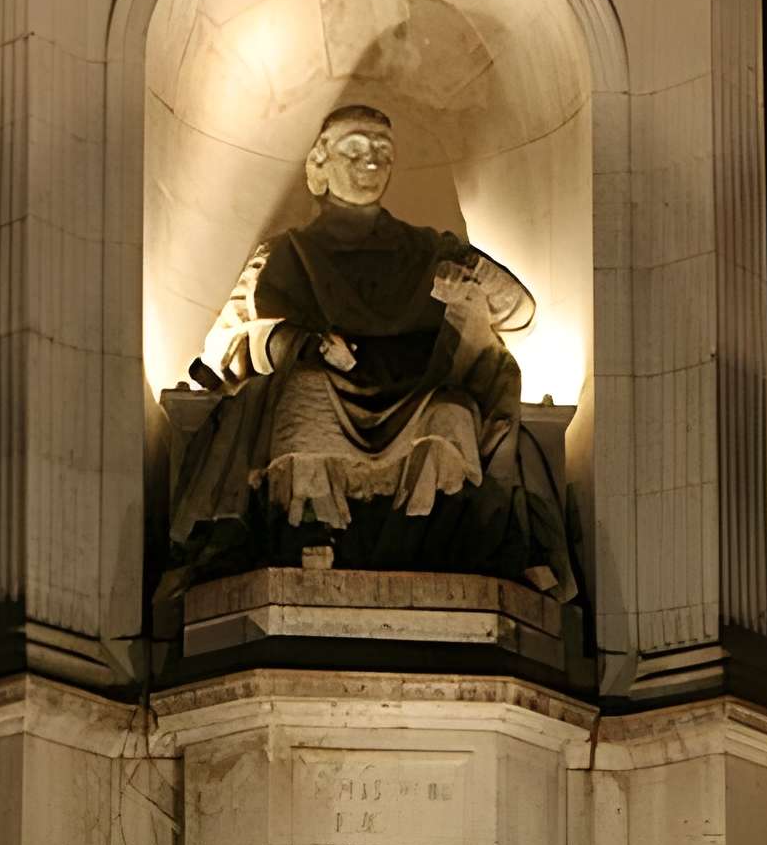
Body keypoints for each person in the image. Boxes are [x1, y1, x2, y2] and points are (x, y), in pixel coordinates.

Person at [161, 104, 574, 601]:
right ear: (319, 164)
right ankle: (309, 529)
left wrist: (475, 279)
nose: (371, 162)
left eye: (382, 151)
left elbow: (521, 315)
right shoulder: (285, 254)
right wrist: (297, 343)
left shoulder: (426, 249)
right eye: (356, 148)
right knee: (305, 394)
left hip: (416, 394)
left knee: (454, 413)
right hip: (323, 382)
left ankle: (441, 541)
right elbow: (226, 343)